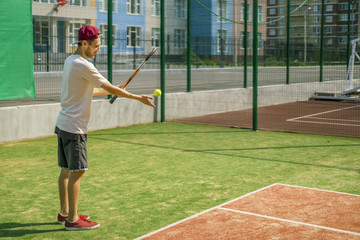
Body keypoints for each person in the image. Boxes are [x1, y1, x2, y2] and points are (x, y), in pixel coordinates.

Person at [55, 25, 155, 231]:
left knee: (66, 171)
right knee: (78, 171)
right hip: (75, 128)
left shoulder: (70, 61)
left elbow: (87, 92)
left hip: (63, 124)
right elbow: (107, 86)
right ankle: (73, 220)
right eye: (96, 46)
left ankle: (64, 213)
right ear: (84, 44)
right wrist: (137, 97)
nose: (99, 49)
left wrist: (114, 90)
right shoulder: (84, 65)